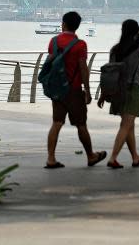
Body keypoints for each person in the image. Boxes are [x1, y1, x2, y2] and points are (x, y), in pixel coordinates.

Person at [45, 11, 107, 169]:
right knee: (81, 125)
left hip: (58, 90)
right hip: (73, 90)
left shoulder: (53, 42)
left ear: (63, 24)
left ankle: (51, 158)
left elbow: (50, 65)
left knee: (56, 123)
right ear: (77, 26)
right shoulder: (80, 45)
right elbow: (83, 68)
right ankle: (91, 156)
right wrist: (87, 90)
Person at [98, 19, 139, 168]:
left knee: (129, 125)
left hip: (118, 90)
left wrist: (103, 93)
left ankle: (135, 157)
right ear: (136, 32)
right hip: (133, 90)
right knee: (126, 125)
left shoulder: (115, 50)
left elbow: (110, 72)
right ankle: (113, 158)